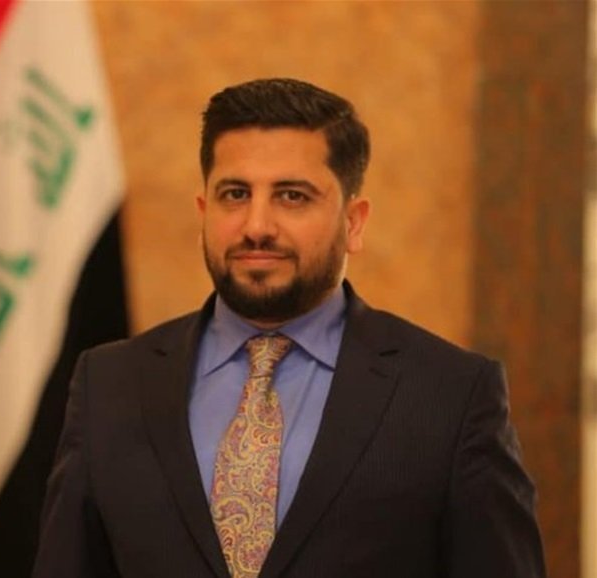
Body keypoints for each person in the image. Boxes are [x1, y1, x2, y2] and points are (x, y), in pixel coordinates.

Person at [32, 78, 545, 578]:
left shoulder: (451, 395)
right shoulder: (108, 385)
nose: (257, 226)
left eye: (292, 196)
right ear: (204, 212)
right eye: (235, 194)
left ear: (354, 222)